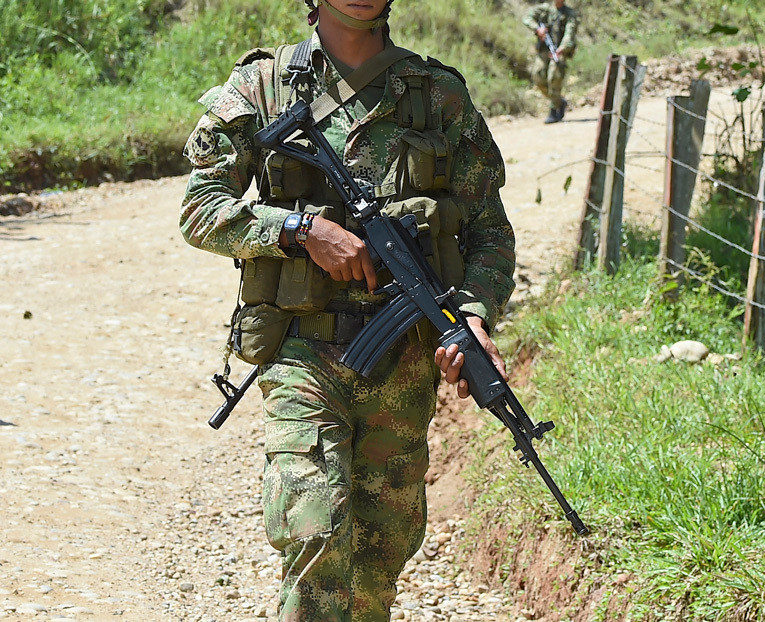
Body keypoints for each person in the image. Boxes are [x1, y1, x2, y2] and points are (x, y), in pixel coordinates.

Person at [179, 1, 515, 619]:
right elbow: (200, 209)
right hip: (303, 351)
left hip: (405, 363)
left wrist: (472, 316)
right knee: (314, 535)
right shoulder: (262, 86)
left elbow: (489, 234)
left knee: (376, 564)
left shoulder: (438, 95)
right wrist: (301, 228)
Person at [523, 0, 579, 124]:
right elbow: (527, 18)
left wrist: (562, 48)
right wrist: (537, 29)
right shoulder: (544, 9)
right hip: (543, 49)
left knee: (554, 77)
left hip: (560, 51)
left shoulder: (569, 14)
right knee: (538, 76)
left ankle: (554, 110)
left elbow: (570, 33)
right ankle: (559, 101)